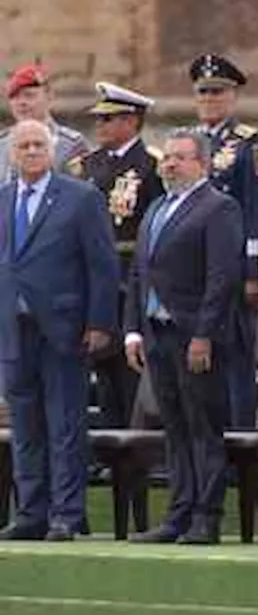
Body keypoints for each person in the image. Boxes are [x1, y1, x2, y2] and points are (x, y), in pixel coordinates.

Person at [124, 128, 244, 545]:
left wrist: (204, 334)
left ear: (202, 163)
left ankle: (206, 516)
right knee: (173, 427)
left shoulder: (218, 208)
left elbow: (222, 276)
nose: (169, 164)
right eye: (167, 157)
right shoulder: (157, 206)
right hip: (157, 334)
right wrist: (133, 330)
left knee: (201, 426)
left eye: (179, 157)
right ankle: (178, 512)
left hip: (194, 335)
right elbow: (140, 271)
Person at [0, 120, 118, 541]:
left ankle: (66, 514)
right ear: (12, 154)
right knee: (25, 426)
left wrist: (100, 322)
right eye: (23, 146)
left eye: (38, 145)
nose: (31, 151)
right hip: (13, 329)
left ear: (51, 151)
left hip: (63, 328)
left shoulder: (80, 197)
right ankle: (30, 512)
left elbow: (102, 265)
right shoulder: (3, 198)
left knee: (65, 424)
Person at [77, 83, 165, 431]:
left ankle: (135, 461)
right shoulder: (84, 166)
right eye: (98, 118)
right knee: (98, 378)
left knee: (129, 375)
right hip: (90, 283)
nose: (100, 125)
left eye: (108, 118)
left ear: (132, 121)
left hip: (130, 279)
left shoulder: (151, 165)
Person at [190, 53, 258, 430]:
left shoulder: (249, 144)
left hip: (232, 265)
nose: (209, 99)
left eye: (217, 92)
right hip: (193, 267)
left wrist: (254, 270)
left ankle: (241, 439)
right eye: (203, 92)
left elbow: (256, 211)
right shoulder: (187, 143)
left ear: (233, 96)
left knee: (236, 358)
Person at [0, 63, 90, 181]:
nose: (22, 103)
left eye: (29, 96)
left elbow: (79, 192)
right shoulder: (3, 142)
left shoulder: (70, 145)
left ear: (49, 97)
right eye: (15, 97)